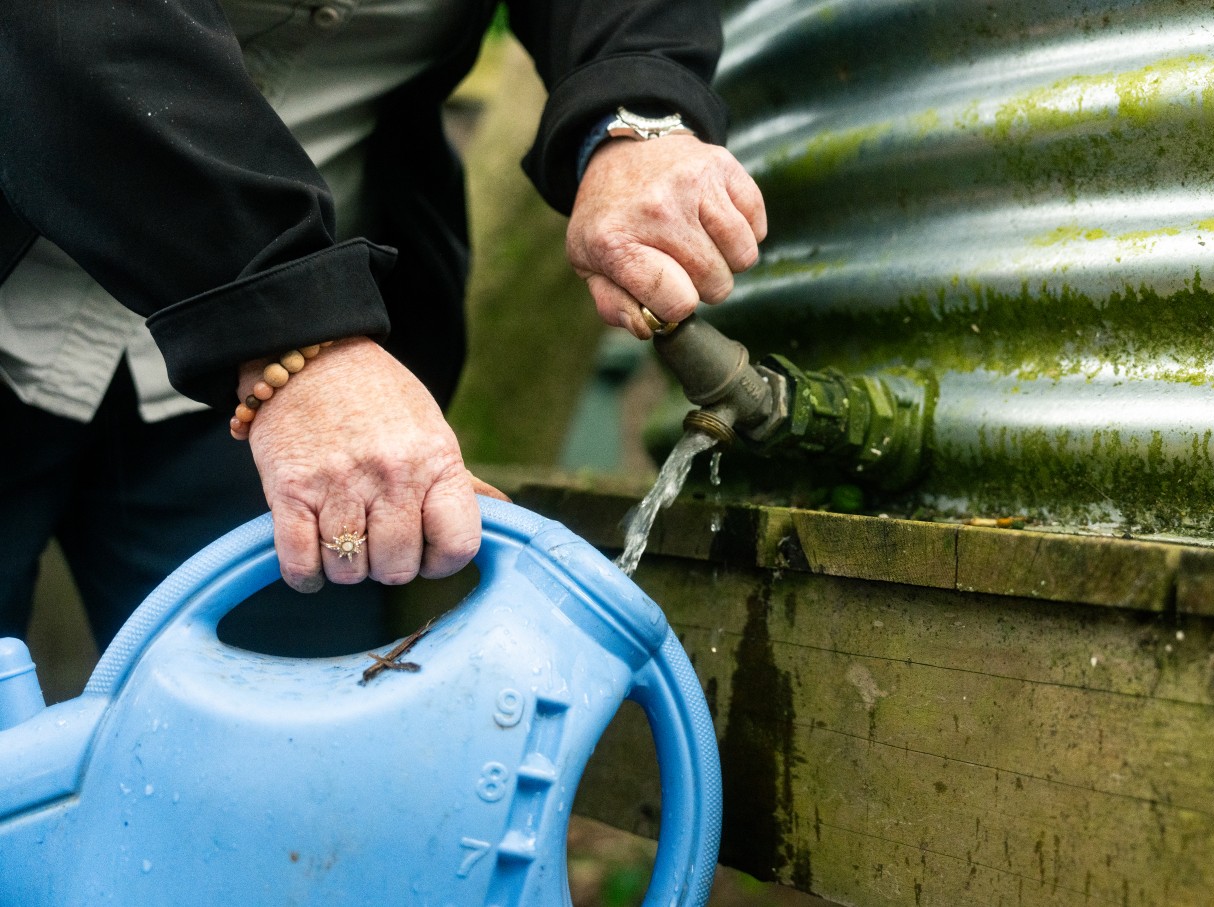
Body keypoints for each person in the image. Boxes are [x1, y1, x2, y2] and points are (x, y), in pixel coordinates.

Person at [0, 0, 766, 654]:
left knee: (300, 782)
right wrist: (294, 316)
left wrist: (633, 119)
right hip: (269, 348)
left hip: (276, 403)